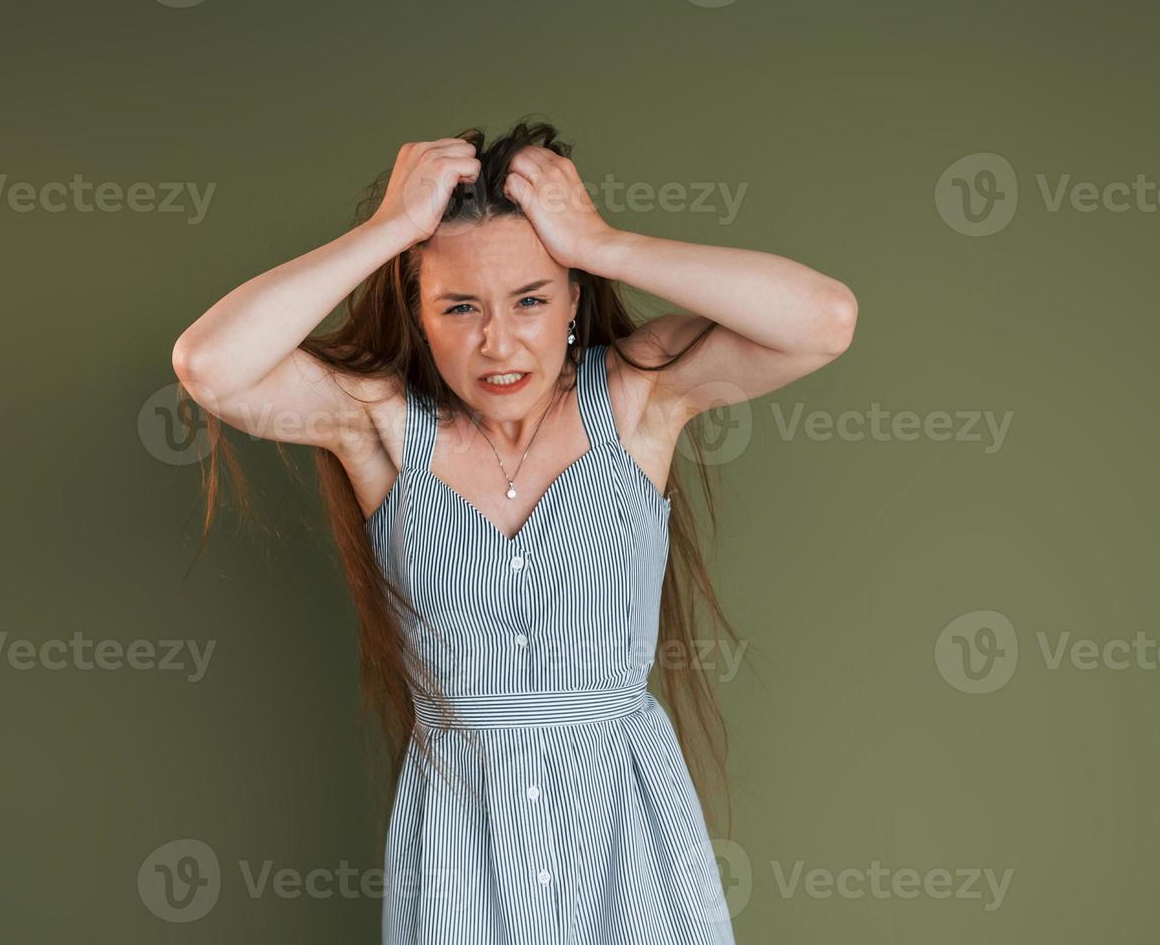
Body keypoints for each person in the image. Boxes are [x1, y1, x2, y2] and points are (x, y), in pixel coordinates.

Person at [171, 119, 856, 943]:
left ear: (573, 297)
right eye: (460, 306)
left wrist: (604, 242)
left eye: (531, 299)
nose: (500, 343)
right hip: (464, 856)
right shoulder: (382, 430)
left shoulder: (639, 398)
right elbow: (210, 365)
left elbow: (825, 318)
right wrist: (390, 228)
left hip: (629, 854)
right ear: (419, 314)